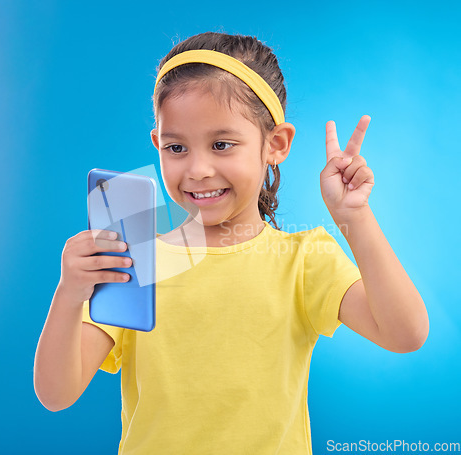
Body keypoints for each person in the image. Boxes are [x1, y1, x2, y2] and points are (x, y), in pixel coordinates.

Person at [34, 31, 429, 454]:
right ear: (158, 145)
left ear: (275, 144)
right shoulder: (136, 260)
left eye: (222, 144)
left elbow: (405, 333)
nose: (198, 168)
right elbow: (57, 394)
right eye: (177, 147)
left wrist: (354, 217)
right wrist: (69, 293)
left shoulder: (303, 260)